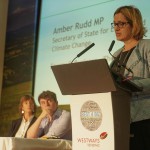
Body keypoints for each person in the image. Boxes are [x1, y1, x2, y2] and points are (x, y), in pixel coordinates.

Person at [110, 5, 150, 150]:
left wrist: (130, 83)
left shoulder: (146, 46)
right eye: (114, 24)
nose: (116, 28)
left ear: (134, 24)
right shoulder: (116, 54)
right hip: (119, 120)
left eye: (121, 23)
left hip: (143, 120)